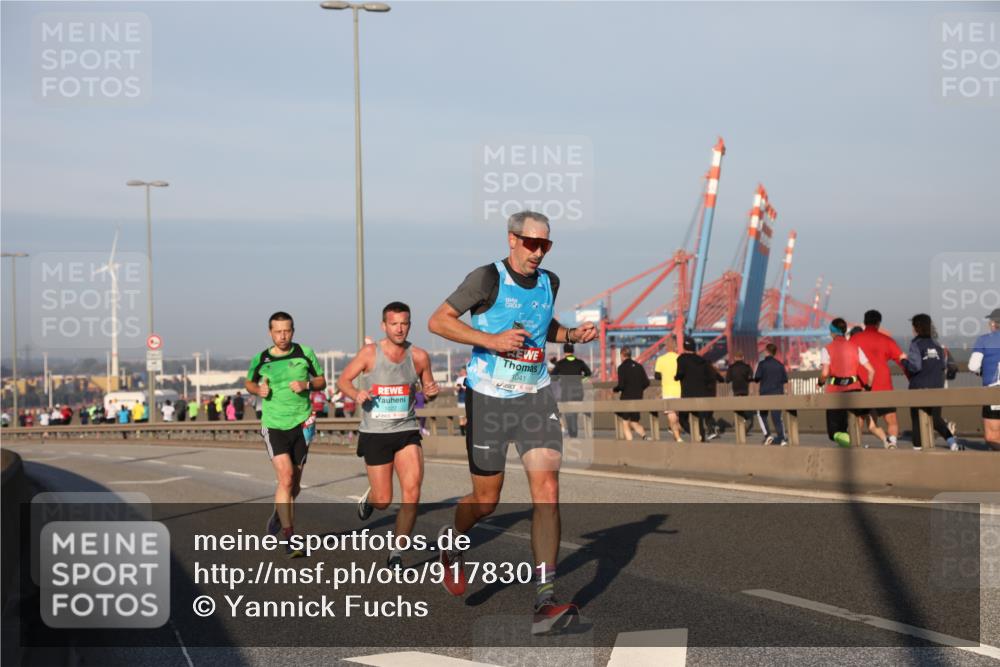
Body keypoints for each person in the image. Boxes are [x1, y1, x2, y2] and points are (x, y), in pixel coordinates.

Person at [428, 210, 597, 635]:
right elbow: (439, 321)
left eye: (546, 245)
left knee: (548, 489)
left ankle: (545, 600)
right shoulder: (486, 278)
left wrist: (573, 335)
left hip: (535, 396)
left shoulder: (549, 282)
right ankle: (451, 545)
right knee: (486, 501)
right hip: (488, 399)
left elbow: (544, 327)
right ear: (512, 240)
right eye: (531, 243)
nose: (538, 252)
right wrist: (490, 340)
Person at [337, 302, 440, 569]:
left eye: (404, 323)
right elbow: (343, 381)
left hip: (406, 429)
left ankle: (396, 552)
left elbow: (428, 388)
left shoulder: (419, 356)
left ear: (409, 324)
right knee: (383, 500)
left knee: (412, 492)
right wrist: (356, 393)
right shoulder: (370, 353)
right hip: (375, 432)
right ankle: (370, 498)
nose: (400, 328)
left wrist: (431, 392)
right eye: (394, 323)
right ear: (384, 326)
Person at [245, 311, 326, 557]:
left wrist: (307, 385)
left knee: (295, 486)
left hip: (302, 424)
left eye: (287, 330)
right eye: (278, 331)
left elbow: (321, 380)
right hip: (274, 424)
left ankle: (279, 514)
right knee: (286, 478)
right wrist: (258, 389)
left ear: (293, 330)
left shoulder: (305, 353)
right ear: (270, 332)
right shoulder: (261, 358)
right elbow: (249, 382)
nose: (283, 335)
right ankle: (290, 537)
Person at [903, 313, 961, 451]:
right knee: (935, 418)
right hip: (936, 386)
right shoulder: (937, 345)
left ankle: (917, 448)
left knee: (917, 420)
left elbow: (915, 366)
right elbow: (942, 365)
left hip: (919, 387)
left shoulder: (915, 344)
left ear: (916, 327)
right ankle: (952, 442)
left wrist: (904, 361)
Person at [850, 309, 907, 449]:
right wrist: (911, 376)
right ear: (878, 323)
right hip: (883, 385)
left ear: (864, 322)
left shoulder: (854, 340)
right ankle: (892, 443)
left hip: (862, 385)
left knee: (859, 419)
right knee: (891, 419)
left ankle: (855, 446)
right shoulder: (886, 340)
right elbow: (902, 360)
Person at [818, 318, 875, 447]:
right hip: (854, 390)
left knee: (834, 432)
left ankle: (852, 444)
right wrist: (867, 388)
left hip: (835, 393)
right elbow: (871, 371)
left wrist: (820, 383)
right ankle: (853, 444)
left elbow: (825, 373)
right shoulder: (856, 348)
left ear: (832, 332)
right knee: (850, 425)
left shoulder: (827, 349)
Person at [675, 337, 720, 441]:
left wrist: (676, 377)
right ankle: (701, 438)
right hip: (701, 394)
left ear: (684, 347)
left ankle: (696, 435)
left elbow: (680, 374)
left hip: (687, 394)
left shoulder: (681, 359)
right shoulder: (702, 360)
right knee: (698, 417)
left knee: (682, 419)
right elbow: (709, 376)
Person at [969, 308, 1000, 451]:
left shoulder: (985, 340)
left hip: (993, 391)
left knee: (992, 437)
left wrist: (982, 370)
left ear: (994, 323)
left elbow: (973, 366)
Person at [550, 343, 592, 438]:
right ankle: (577, 430)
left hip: (566, 393)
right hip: (578, 392)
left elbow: (553, 377)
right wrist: (581, 379)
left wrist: (559, 379)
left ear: (564, 351)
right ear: (573, 351)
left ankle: (573, 434)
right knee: (575, 414)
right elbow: (588, 373)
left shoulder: (561, 364)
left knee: (569, 414)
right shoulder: (579, 362)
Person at [753, 343, 789, 445]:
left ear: (767, 352)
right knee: (777, 417)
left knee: (761, 414)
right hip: (778, 394)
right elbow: (784, 380)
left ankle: (768, 435)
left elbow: (756, 379)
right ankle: (782, 438)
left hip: (765, 394)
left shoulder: (762, 364)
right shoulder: (780, 365)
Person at [612, 347, 650, 441]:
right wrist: (639, 390)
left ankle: (630, 445)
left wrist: (615, 389)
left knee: (625, 422)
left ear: (622, 355)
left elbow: (621, 385)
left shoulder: (621, 368)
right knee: (634, 422)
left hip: (626, 399)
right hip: (638, 397)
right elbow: (646, 383)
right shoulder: (639, 366)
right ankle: (645, 437)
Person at [653, 337, 685, 442]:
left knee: (671, 416)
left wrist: (666, 375)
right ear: (675, 346)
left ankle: (678, 438)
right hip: (680, 390)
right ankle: (678, 434)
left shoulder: (661, 359)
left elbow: (657, 376)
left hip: (668, 390)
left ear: (666, 347)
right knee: (677, 415)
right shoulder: (680, 358)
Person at [725, 350, 755, 436]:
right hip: (745, 391)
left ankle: (739, 425)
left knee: (738, 409)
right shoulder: (747, 367)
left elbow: (727, 380)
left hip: (736, 391)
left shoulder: (731, 368)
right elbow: (750, 378)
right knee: (744, 409)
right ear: (743, 357)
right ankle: (744, 424)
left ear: (734, 358)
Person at [454, 368, 469, 436]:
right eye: (461, 371)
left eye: (462, 371)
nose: (461, 372)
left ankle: (466, 431)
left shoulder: (468, 378)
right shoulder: (459, 379)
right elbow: (456, 390)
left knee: (467, 417)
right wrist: (459, 387)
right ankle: (462, 432)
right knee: (461, 417)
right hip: (461, 401)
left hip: (467, 400)